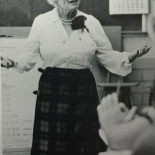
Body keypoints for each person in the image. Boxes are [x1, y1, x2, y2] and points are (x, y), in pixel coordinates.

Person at [0, 0, 151, 155]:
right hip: (53, 87)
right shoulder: (42, 22)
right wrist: (13, 62)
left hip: (82, 87)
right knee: (52, 143)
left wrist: (129, 57)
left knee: (84, 143)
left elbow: (107, 55)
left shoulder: (91, 23)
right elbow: (28, 56)